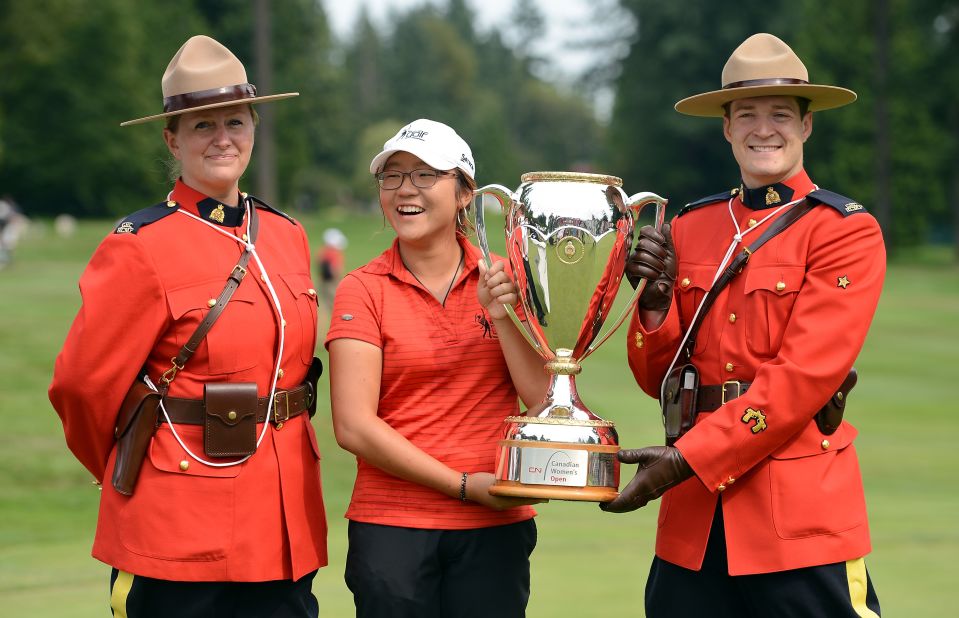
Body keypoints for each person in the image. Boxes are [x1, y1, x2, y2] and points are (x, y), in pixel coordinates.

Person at [603, 33, 885, 617]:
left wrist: (685, 460)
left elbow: (801, 379)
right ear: (726, 127)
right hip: (694, 527)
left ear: (807, 125)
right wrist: (654, 306)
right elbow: (661, 378)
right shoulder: (691, 225)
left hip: (798, 524)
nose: (764, 129)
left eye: (781, 114)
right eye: (746, 115)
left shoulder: (843, 231)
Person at [48, 35, 327, 617]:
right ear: (172, 138)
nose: (222, 138)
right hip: (179, 521)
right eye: (202, 126)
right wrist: (135, 461)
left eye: (234, 121)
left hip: (282, 519)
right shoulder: (140, 247)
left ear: (254, 128)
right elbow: (81, 386)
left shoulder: (286, 235)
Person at [326, 118, 548, 618]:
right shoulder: (363, 289)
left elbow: (541, 399)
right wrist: (464, 486)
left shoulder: (509, 277)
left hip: (495, 530)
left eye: (426, 175)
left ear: (465, 193)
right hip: (393, 527)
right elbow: (354, 426)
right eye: (393, 176)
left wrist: (503, 316)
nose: (406, 189)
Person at [316, 227, 347, 309]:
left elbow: (318, 263)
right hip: (332, 283)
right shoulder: (334, 253)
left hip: (323, 281)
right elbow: (336, 269)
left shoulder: (323, 251)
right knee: (337, 306)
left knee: (324, 305)